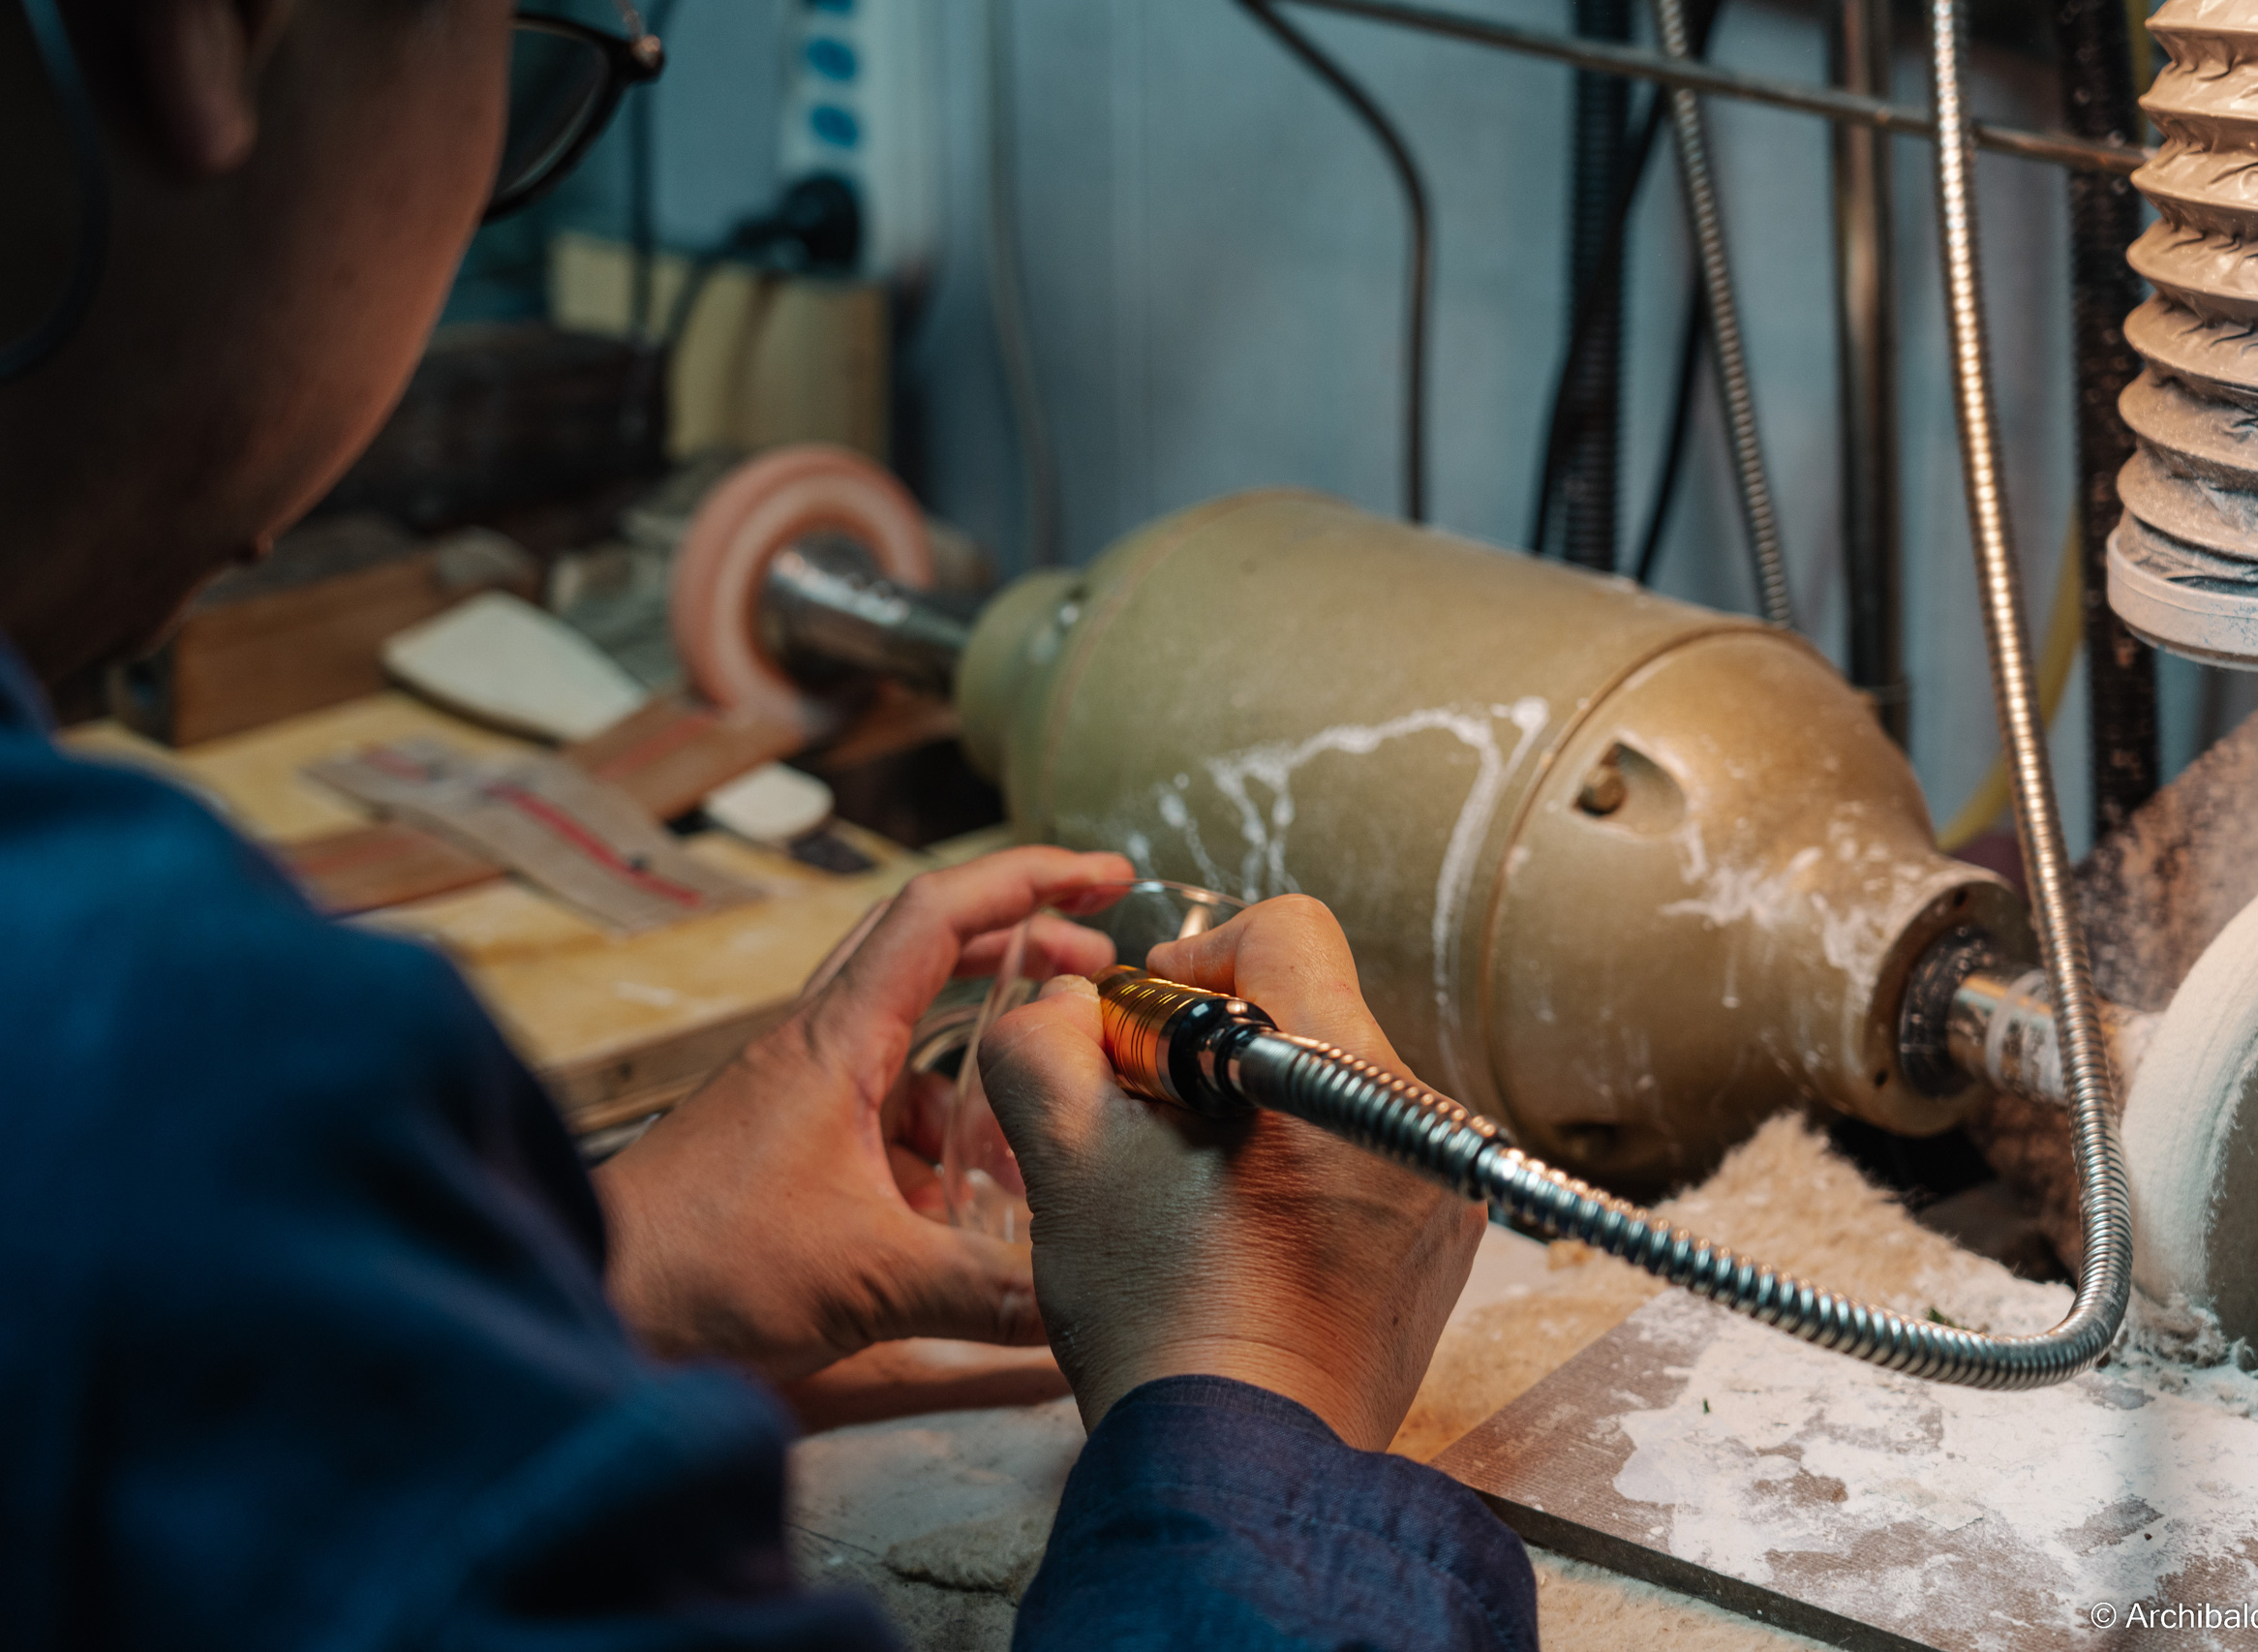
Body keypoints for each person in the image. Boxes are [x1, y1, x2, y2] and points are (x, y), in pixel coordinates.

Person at [0, 1, 1539, 1646]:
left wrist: (588, 1273)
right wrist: (1259, 1409)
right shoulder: (150, 1063)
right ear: (216, 28)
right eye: (527, 43)